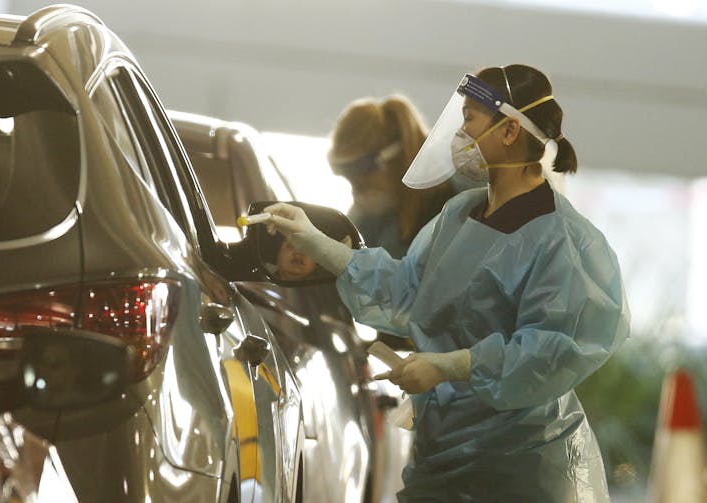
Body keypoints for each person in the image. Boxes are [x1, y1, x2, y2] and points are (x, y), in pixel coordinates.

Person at [260, 64, 630, 502]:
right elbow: (405, 290)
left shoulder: (563, 241)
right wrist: (317, 243)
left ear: (510, 131)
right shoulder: (459, 215)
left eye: (471, 118)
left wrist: (451, 365)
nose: (461, 133)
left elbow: (553, 349)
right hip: (442, 457)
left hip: (521, 468)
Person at [327, 95, 459, 259]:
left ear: (396, 157)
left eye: (363, 175)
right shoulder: (369, 218)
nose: (357, 189)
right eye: (349, 177)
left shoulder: (453, 209)